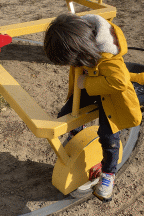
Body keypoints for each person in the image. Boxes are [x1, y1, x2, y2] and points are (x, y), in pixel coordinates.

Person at [43, 13, 142, 202]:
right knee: (65, 115)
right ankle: (76, 135)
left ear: (82, 51)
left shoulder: (109, 57)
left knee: (109, 136)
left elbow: (119, 82)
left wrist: (86, 82)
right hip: (90, 86)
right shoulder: (83, 43)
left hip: (111, 96)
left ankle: (108, 175)